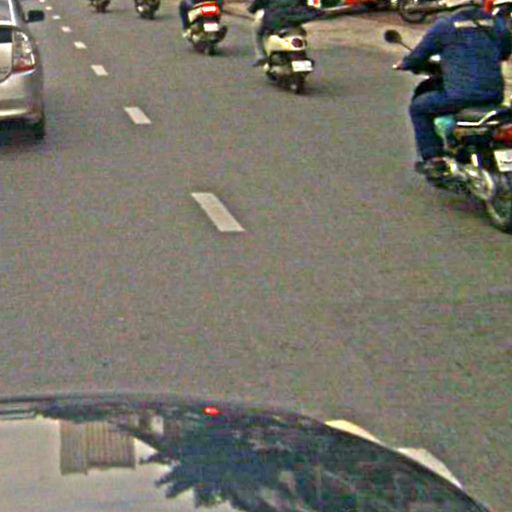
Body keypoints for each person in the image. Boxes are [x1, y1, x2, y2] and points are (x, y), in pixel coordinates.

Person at [394, 0, 512, 178]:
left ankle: (434, 159)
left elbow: (418, 55)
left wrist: (404, 64)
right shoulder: (496, 24)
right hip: (494, 95)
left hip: (460, 96)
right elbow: (505, 51)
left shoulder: (445, 26)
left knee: (419, 108)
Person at [247, 0, 323, 66]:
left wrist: (251, 9)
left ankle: (261, 56)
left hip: (277, 19)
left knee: (258, 31)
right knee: (301, 32)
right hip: (295, 19)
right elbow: (306, 4)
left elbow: (256, 4)